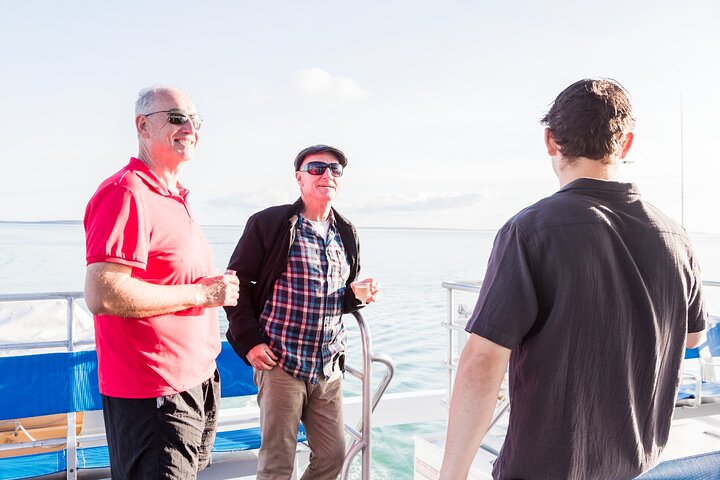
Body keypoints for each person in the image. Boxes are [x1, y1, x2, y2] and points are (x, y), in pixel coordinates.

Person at [440, 79, 707, 480]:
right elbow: (692, 338)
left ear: (550, 141)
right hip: (638, 467)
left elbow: (482, 361)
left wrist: (451, 475)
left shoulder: (529, 231)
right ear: (626, 144)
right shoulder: (674, 235)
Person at [83, 86, 239, 479]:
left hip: (196, 380)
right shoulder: (126, 192)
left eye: (195, 120)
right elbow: (104, 293)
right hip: (154, 393)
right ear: (142, 126)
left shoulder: (173, 195)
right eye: (176, 118)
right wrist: (205, 293)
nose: (189, 127)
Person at [225, 144, 379, 480]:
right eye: (317, 168)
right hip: (281, 362)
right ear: (299, 178)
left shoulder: (347, 232)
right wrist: (250, 341)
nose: (327, 174)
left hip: (328, 367)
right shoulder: (270, 223)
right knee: (278, 463)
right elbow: (236, 284)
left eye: (335, 170)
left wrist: (358, 296)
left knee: (334, 456)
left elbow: (338, 297)